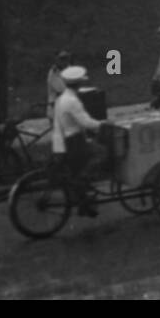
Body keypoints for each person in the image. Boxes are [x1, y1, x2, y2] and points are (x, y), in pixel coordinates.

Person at [52, 65, 106, 216]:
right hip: (76, 141)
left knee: (79, 167)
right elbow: (86, 123)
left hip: (66, 141)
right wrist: (104, 125)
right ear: (79, 83)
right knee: (102, 153)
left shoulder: (61, 99)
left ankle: (84, 200)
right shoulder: (73, 101)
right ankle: (84, 181)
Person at [46, 49, 71, 117]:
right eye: (62, 59)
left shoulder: (69, 69)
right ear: (57, 60)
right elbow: (61, 89)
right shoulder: (53, 73)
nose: (64, 61)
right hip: (55, 110)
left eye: (66, 58)